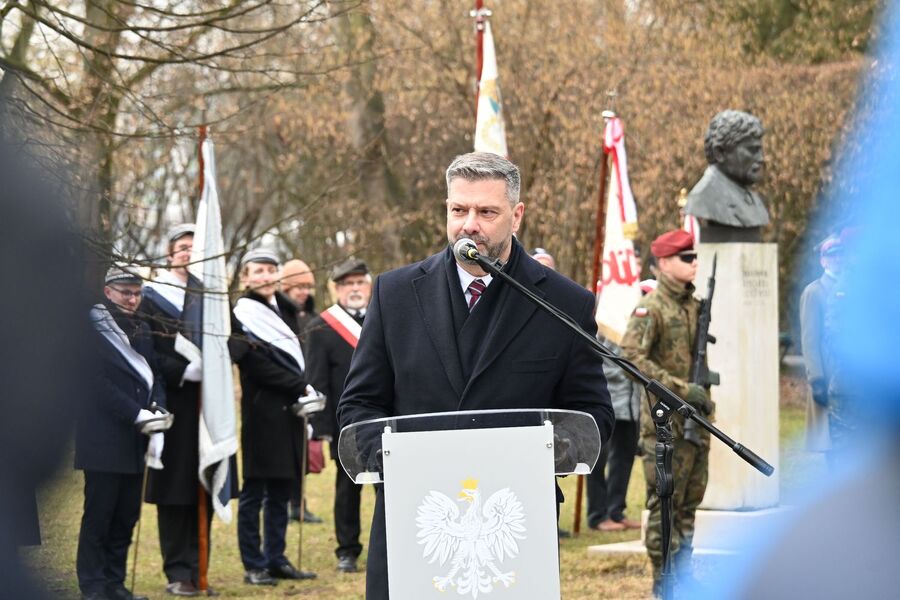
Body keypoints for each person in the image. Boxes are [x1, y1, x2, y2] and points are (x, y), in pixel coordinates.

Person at [337, 151, 615, 600]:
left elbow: (592, 413)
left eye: (487, 212)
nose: (470, 224)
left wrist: (542, 452)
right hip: (416, 517)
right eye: (458, 210)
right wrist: (397, 462)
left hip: (515, 526)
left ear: (516, 215)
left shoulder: (565, 303)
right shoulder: (395, 293)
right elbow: (359, 406)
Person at [141, 224, 237, 597]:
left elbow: (236, 341)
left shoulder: (212, 296)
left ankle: (200, 568)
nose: (188, 253)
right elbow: (147, 350)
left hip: (209, 405)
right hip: (175, 403)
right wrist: (184, 370)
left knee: (203, 481)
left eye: (195, 248)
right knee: (175, 492)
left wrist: (216, 366)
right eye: (182, 247)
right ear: (170, 255)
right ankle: (178, 570)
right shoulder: (152, 296)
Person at [620, 229, 715, 597]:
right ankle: (665, 583)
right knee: (665, 508)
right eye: (685, 258)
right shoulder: (652, 307)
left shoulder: (693, 306)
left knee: (689, 506)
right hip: (666, 428)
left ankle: (685, 577)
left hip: (696, 424)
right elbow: (631, 357)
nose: (694, 264)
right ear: (662, 263)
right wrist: (679, 389)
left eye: (694, 257)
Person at [76, 267, 166, 600]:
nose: (132, 299)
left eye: (136, 293)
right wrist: (135, 412)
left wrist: (157, 406)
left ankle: (115, 582)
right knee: (99, 517)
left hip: (136, 437)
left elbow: (154, 372)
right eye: (125, 292)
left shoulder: (141, 326)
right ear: (107, 291)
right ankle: (94, 585)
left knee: (126, 516)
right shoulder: (92, 326)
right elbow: (95, 384)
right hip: (104, 437)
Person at [229, 249, 317, 586]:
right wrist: (300, 386)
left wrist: (302, 387)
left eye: (270, 270)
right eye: (258, 271)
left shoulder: (288, 309)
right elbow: (254, 364)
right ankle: (253, 564)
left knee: (282, 488)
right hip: (262, 411)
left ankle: (276, 557)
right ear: (246, 278)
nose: (265, 276)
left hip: (290, 412)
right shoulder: (241, 315)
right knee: (255, 491)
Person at [304, 258, 372, 573]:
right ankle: (347, 549)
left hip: (386, 419)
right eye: (347, 284)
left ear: (369, 286)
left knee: (389, 486)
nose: (354, 289)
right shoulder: (321, 326)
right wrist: (321, 428)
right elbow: (317, 380)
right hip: (346, 422)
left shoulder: (384, 317)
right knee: (348, 489)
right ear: (337, 289)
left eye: (359, 282)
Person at [280, 258, 322, 524]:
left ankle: (299, 503)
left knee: (303, 453)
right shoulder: (281, 318)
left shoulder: (315, 320)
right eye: (297, 286)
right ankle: (282, 502)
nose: (303, 292)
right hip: (287, 390)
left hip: (309, 388)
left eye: (307, 286)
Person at [684, 110, 769, 242]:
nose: (761, 158)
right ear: (720, 153)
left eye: (760, 151)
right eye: (752, 150)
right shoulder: (704, 197)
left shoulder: (754, 200)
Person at [586, 336, 642, 532]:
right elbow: (595, 362)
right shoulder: (605, 326)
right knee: (598, 460)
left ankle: (616, 512)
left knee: (624, 459)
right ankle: (598, 515)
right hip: (607, 402)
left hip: (630, 404)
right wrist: (629, 371)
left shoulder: (632, 326)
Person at [800, 235, 848, 461]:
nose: (837, 259)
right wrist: (816, 378)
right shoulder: (814, 292)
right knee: (834, 444)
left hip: (850, 375)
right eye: (832, 255)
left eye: (840, 254)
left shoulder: (850, 287)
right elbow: (810, 339)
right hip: (828, 375)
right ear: (823, 260)